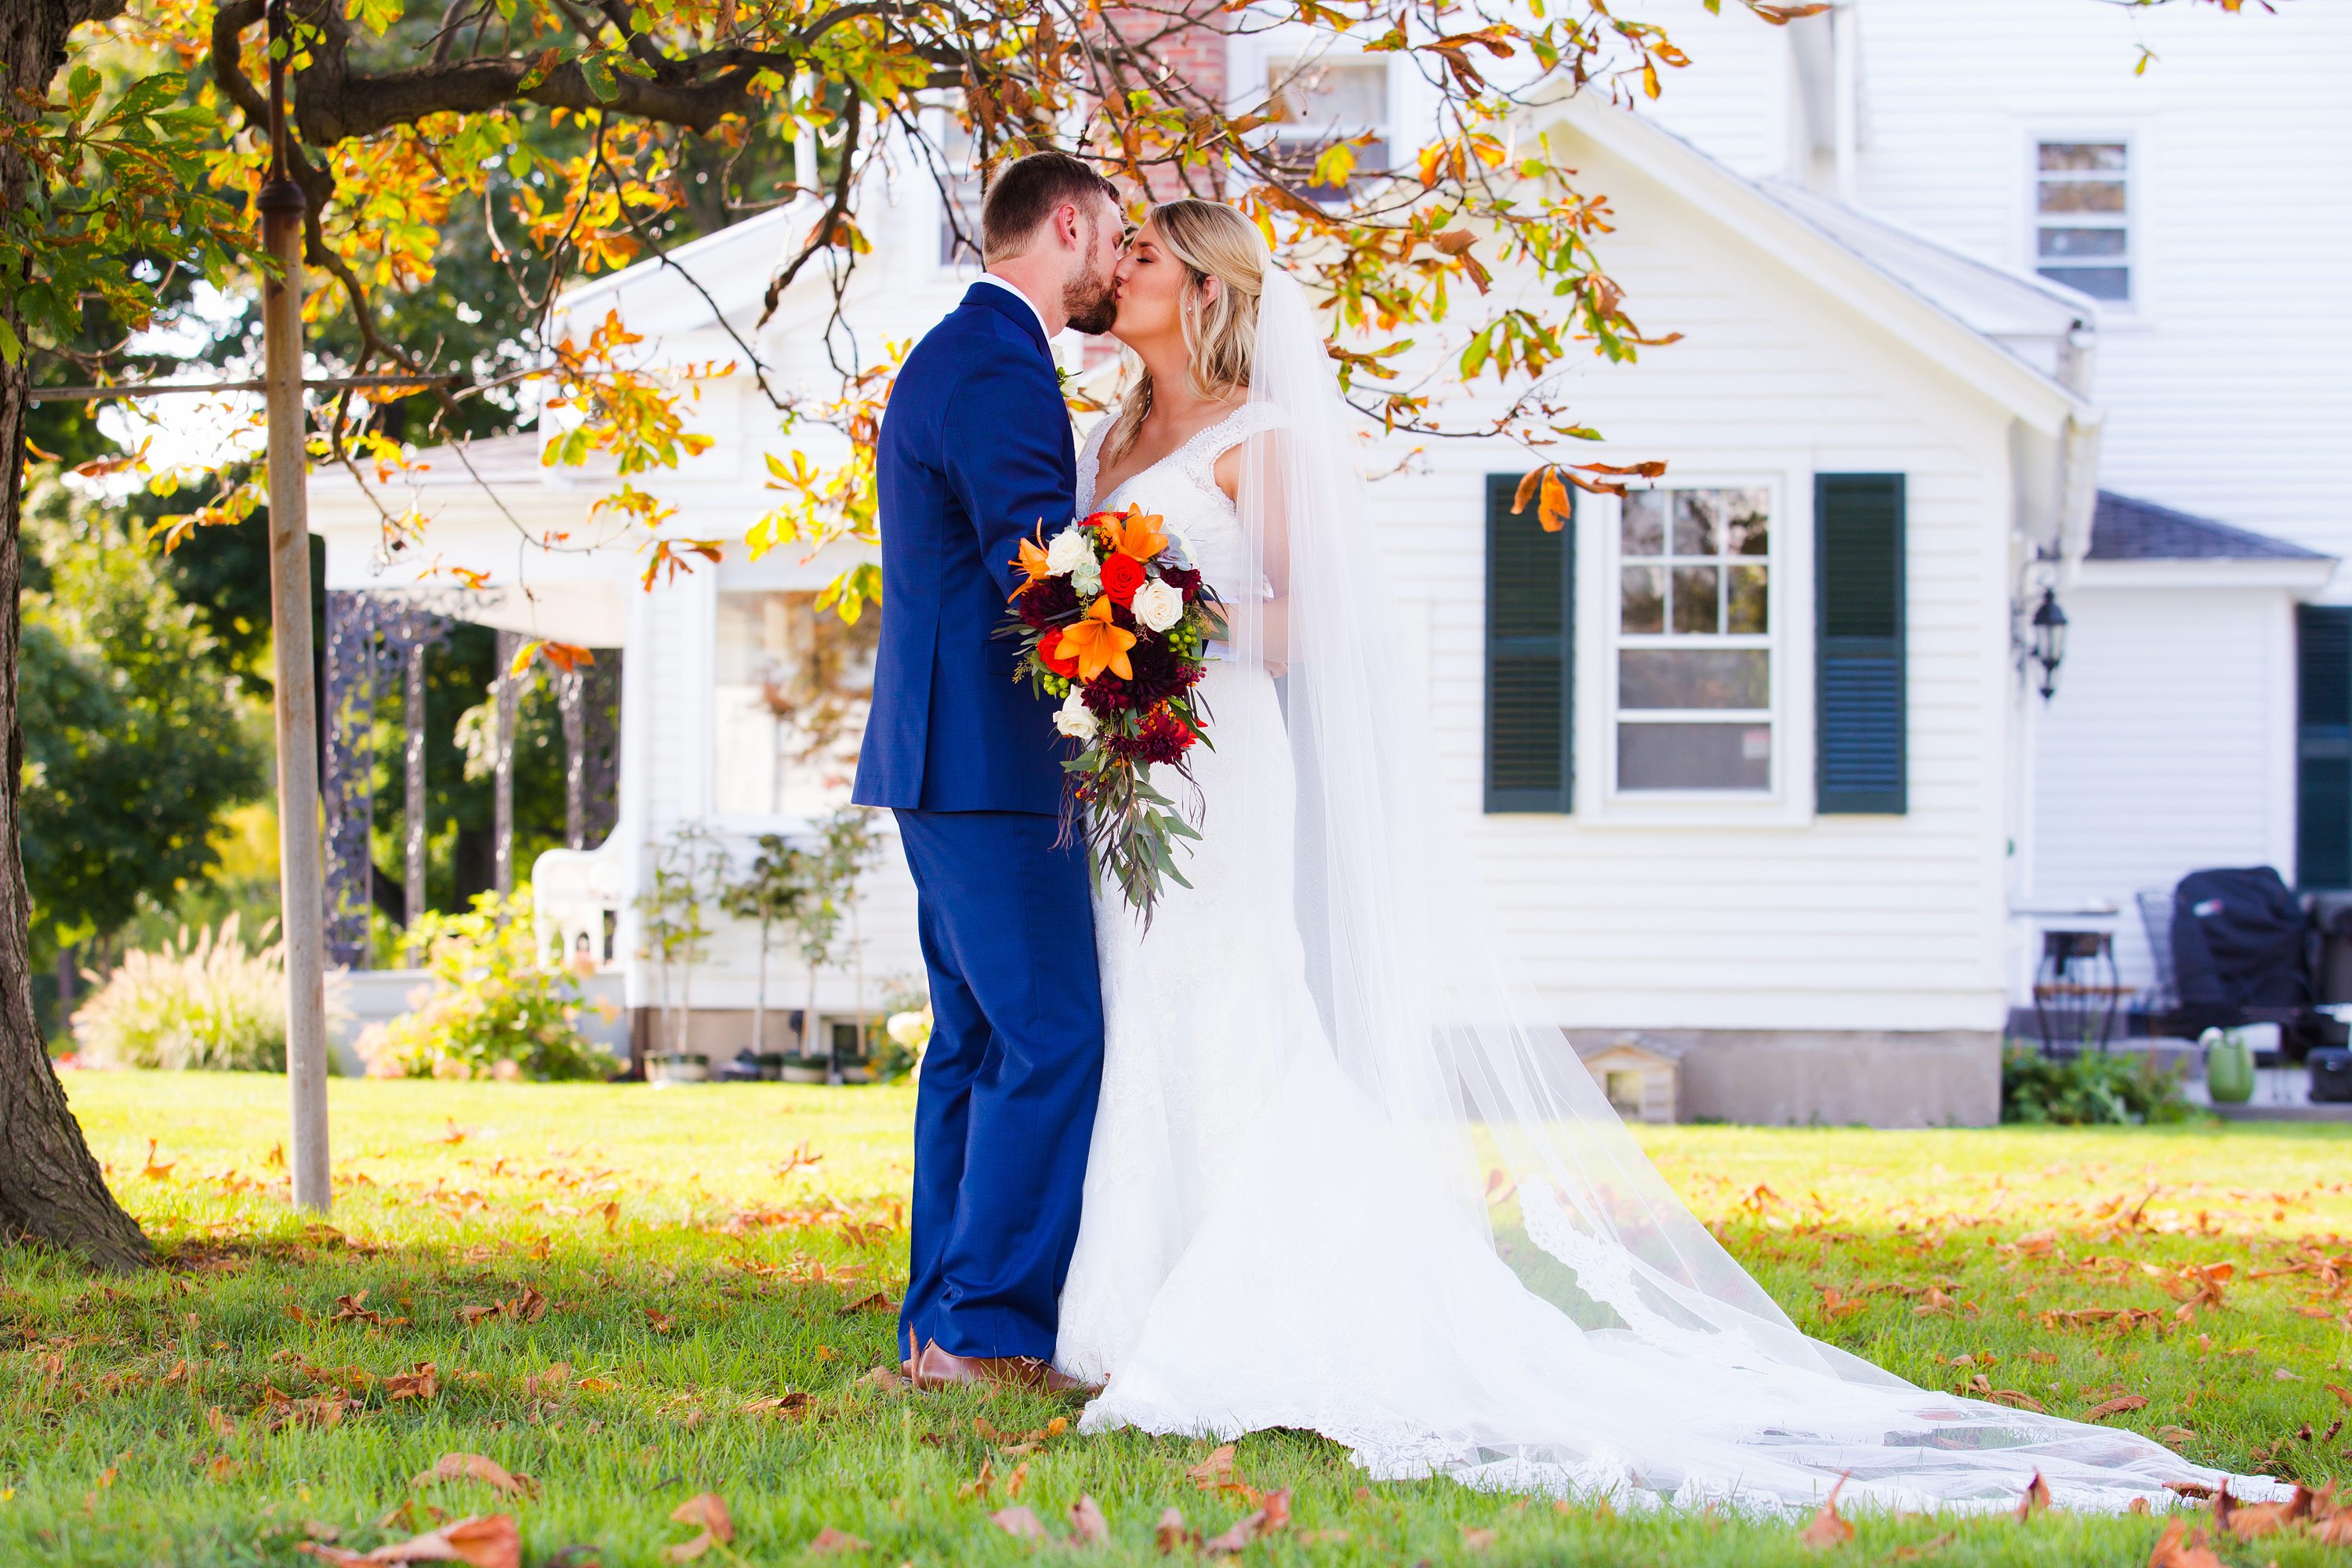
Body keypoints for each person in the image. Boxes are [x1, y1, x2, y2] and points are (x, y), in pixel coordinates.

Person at [1049, 197, 2290, 1515]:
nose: (1116, 269)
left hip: (1226, 757)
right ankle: (1127, 1296)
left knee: (1231, 996)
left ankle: (1251, 1302)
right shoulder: (1117, 431)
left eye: (1141, 256)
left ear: (1206, 288)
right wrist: (1108, 634)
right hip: (1136, 760)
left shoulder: (1266, 438)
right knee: (1143, 1003)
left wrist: (1172, 618)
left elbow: (1306, 629)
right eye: (1116, 250)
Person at [851, 151, 1125, 1392]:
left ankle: (938, 1328)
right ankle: (986, 1332)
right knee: (1051, 1035)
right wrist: (1150, 645)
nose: (1118, 263)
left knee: (973, 1040)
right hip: (990, 759)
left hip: (943, 754)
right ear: (1065, 224)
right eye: (1113, 238)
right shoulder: (1001, 363)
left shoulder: (957, 353)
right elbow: (1038, 559)